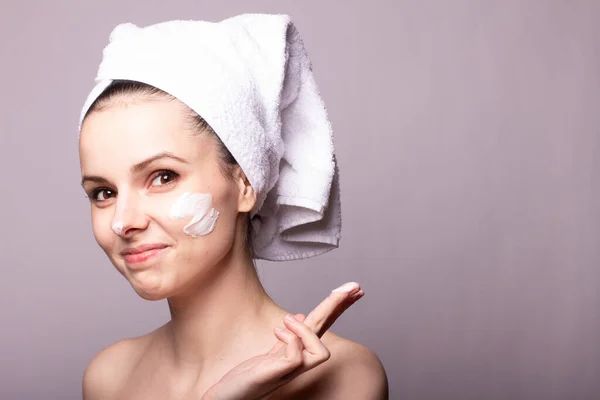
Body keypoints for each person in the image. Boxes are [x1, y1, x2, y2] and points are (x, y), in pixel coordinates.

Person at [78, 14, 388, 399]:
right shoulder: (109, 377)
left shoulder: (343, 376)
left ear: (244, 184)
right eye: (103, 193)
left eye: (163, 177)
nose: (123, 222)